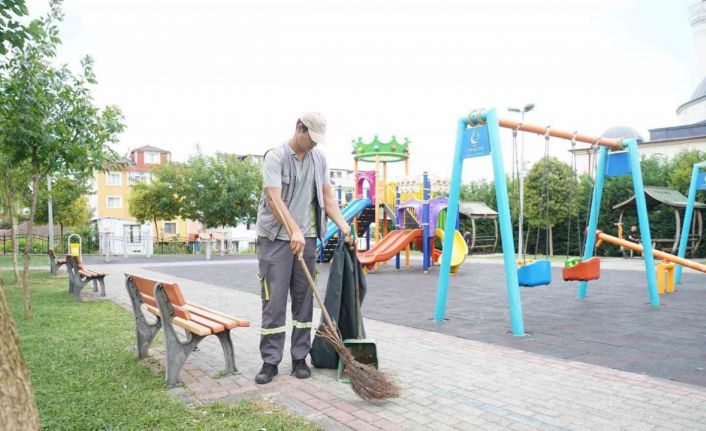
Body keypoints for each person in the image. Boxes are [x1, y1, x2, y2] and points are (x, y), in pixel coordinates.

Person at [254, 112, 353, 385]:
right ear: (299, 128)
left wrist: (344, 226)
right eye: (311, 139)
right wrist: (292, 229)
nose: (314, 145)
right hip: (275, 239)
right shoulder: (275, 157)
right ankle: (270, 361)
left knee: (303, 302)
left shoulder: (318, 158)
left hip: (307, 239)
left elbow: (327, 197)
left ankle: (300, 357)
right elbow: (273, 198)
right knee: (273, 303)